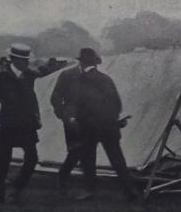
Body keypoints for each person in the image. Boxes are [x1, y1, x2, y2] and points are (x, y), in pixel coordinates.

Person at [66, 48, 139, 201]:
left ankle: (89, 190)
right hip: (108, 126)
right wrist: (114, 120)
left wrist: (73, 118)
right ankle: (129, 189)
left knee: (88, 159)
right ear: (95, 63)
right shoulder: (106, 79)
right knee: (117, 159)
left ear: (82, 63)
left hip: (88, 127)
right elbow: (117, 104)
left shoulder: (79, 81)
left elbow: (74, 103)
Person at [0, 43, 42, 203]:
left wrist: (37, 115)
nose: (27, 63)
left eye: (27, 60)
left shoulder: (31, 76)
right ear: (14, 60)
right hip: (7, 124)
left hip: (26, 124)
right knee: (3, 160)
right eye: (24, 60)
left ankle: (17, 187)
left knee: (32, 158)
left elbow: (32, 97)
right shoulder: (1, 77)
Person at [51, 52, 87, 194]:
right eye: (87, 63)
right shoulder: (67, 75)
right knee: (75, 149)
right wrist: (64, 115)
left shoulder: (94, 76)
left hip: (89, 118)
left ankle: (87, 181)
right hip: (72, 118)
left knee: (87, 148)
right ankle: (63, 176)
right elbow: (55, 96)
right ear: (81, 62)